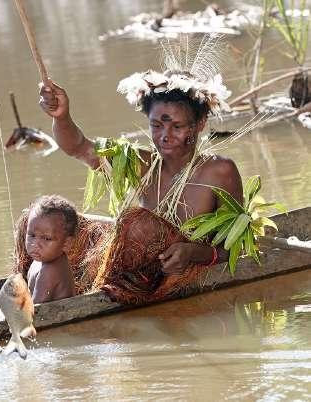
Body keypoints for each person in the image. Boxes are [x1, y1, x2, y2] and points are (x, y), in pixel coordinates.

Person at [35, 38, 243, 303]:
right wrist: (61, 116)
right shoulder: (141, 163)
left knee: (140, 225)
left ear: (199, 123)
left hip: (183, 275)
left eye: (177, 127)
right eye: (157, 126)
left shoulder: (219, 171)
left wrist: (192, 253)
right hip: (141, 273)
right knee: (43, 221)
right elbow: (78, 147)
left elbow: (236, 248)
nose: (165, 136)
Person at [26, 195, 77, 303]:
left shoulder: (50, 270)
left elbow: (36, 310)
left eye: (47, 238)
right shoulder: (41, 259)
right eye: (32, 235)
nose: (35, 244)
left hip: (61, 319)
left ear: (66, 243)